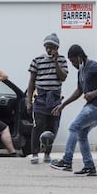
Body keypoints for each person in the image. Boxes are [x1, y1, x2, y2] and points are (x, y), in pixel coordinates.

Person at [49, 44, 97, 176]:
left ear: (79, 57)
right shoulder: (81, 71)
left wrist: (95, 92)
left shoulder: (95, 67)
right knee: (82, 134)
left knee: (74, 127)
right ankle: (89, 167)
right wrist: (63, 104)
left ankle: (67, 161)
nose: (72, 64)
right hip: (94, 106)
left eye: (73, 60)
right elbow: (79, 90)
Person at [27, 33, 68, 164]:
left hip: (55, 98)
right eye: (47, 47)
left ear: (57, 48)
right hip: (41, 98)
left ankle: (47, 154)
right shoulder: (37, 60)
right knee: (38, 126)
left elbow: (63, 77)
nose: (49, 50)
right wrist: (29, 101)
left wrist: (55, 62)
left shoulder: (62, 60)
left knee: (52, 127)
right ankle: (34, 153)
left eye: (51, 47)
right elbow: (31, 81)